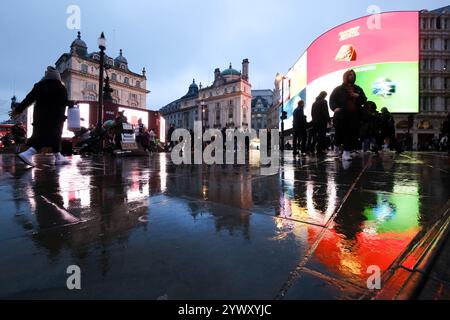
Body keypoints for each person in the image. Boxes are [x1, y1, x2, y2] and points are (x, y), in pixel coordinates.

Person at [13, 66, 70, 166]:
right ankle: (27, 154)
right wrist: (72, 104)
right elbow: (63, 102)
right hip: (55, 117)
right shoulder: (61, 88)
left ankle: (58, 156)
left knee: (42, 136)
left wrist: (18, 110)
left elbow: (28, 99)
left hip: (40, 117)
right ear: (57, 77)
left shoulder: (39, 86)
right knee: (53, 136)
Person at [330, 69, 367, 161]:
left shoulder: (358, 88)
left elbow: (364, 99)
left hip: (354, 115)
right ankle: (337, 146)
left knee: (351, 134)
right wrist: (335, 108)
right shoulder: (338, 89)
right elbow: (332, 99)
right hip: (341, 115)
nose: (352, 76)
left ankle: (346, 152)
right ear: (346, 76)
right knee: (340, 134)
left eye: (353, 75)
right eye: (350, 74)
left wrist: (357, 96)